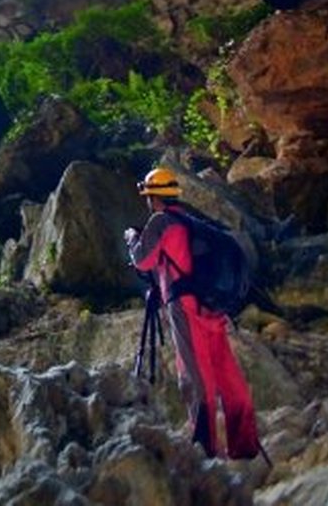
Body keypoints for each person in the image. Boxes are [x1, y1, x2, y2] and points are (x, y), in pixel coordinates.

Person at [125, 166, 262, 460]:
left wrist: (132, 239)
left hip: (185, 306)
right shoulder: (191, 222)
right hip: (212, 305)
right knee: (226, 371)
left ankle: (206, 451)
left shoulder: (160, 221)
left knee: (195, 377)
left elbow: (143, 261)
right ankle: (245, 446)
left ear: (153, 197)